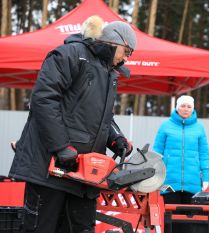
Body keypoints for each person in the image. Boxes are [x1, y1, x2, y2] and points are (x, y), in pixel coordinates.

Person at [8, 16, 135, 233]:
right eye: (127, 52)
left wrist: (117, 139)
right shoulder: (71, 54)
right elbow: (44, 100)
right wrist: (61, 147)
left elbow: (104, 117)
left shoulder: (108, 73)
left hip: (84, 178)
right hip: (50, 170)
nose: (127, 59)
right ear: (116, 42)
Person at [153, 95, 209, 204]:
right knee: (170, 216)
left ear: (193, 109)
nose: (186, 109)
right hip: (168, 182)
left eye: (189, 106)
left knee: (189, 218)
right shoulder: (165, 126)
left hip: (193, 182)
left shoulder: (199, 128)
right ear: (177, 108)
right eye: (183, 106)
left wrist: (206, 177)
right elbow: (156, 152)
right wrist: (155, 174)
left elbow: (204, 154)